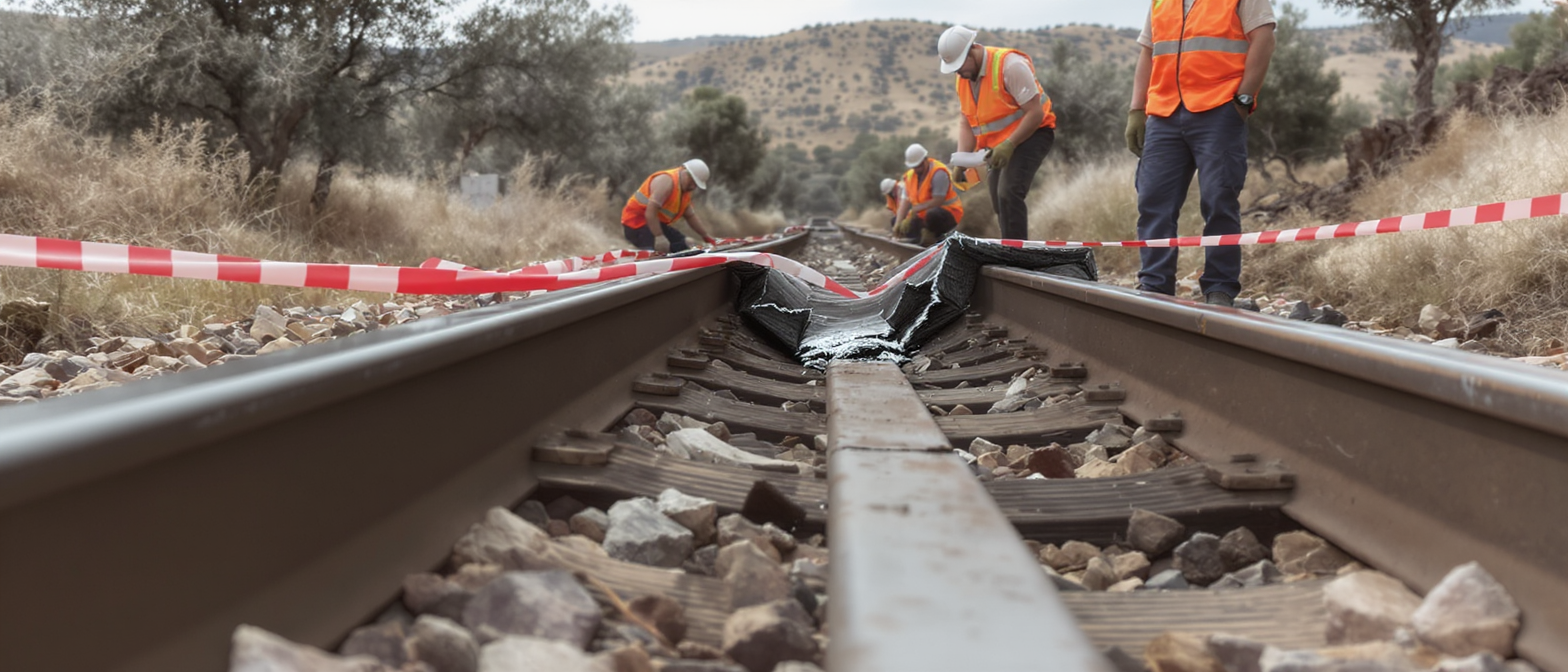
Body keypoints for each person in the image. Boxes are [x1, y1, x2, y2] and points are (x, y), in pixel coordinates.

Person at [1125, 0, 1275, 307]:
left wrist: (1244, 100)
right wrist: (1136, 109)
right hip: (1164, 114)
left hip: (1219, 110)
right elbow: (1148, 52)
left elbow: (1264, 39)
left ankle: (1219, 288)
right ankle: (1154, 287)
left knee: (1219, 199)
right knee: (1153, 202)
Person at [937, 25, 1057, 241]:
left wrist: (1010, 144)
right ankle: (1010, 249)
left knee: (1008, 192)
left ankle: (1016, 257)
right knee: (997, 198)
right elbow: (966, 120)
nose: (958, 72)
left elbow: (1035, 113)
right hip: (999, 145)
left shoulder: (1010, 66)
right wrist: (961, 160)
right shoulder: (963, 77)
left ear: (972, 49)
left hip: (1034, 133)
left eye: (959, 65)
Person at [621, 159, 718, 254]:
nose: (693, 187)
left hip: (655, 224)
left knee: (688, 244)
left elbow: (690, 216)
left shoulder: (684, 191)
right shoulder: (666, 181)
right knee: (662, 251)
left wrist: (706, 236)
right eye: (692, 181)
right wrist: (659, 236)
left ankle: (645, 250)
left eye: (696, 184)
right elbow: (650, 212)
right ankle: (641, 252)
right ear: (684, 171)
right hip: (636, 225)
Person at [894, 144, 963, 246]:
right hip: (923, 215)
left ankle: (934, 237)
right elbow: (905, 202)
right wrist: (898, 224)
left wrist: (915, 210)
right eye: (914, 167)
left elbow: (938, 200)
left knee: (932, 215)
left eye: (919, 166)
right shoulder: (909, 177)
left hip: (947, 214)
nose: (917, 169)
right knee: (900, 223)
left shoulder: (938, 172)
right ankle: (920, 238)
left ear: (925, 160)